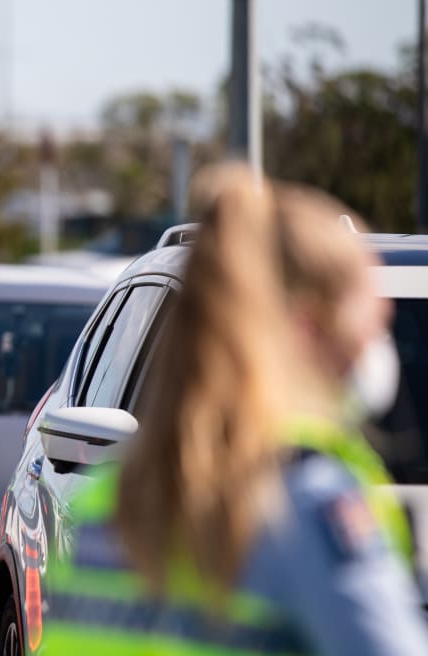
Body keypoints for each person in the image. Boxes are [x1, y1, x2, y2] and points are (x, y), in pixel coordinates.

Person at [40, 164, 428, 654]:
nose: (379, 346)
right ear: (308, 328)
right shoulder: (309, 508)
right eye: (375, 323)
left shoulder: (110, 506)